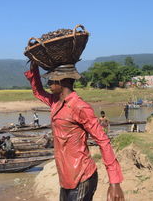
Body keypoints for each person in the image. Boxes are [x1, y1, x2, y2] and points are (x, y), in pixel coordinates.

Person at [25, 62, 124, 201]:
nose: (48, 83)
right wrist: (34, 66)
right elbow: (38, 92)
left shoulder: (80, 107)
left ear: (63, 81)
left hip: (82, 176)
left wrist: (114, 183)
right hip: (65, 177)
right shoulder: (55, 102)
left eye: (51, 80)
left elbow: (103, 141)